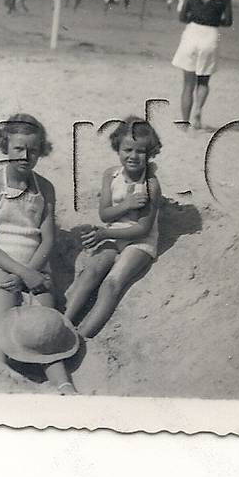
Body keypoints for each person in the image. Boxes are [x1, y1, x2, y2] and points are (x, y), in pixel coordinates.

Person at [0, 114, 78, 394]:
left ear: (41, 151)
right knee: (4, 319)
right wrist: (21, 274)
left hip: (36, 262)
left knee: (46, 320)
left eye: (33, 150)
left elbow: (47, 239)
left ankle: (64, 385)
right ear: (5, 147)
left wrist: (32, 272)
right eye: (18, 149)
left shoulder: (45, 188)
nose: (25, 156)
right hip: (1, 261)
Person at [64, 117, 162, 340]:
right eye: (128, 149)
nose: (133, 156)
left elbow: (143, 229)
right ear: (118, 148)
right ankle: (63, 323)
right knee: (92, 271)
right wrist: (126, 205)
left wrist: (105, 233)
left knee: (111, 284)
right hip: (113, 231)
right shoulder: (111, 175)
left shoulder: (151, 185)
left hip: (139, 243)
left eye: (141, 151)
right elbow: (104, 214)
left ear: (150, 153)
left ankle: (81, 336)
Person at [172, 0, 233, 129]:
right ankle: (198, 109)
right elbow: (228, 21)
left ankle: (185, 123)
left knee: (188, 85)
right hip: (210, 34)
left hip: (192, 32)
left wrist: (196, 17)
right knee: (204, 81)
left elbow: (182, 17)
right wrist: (214, 19)